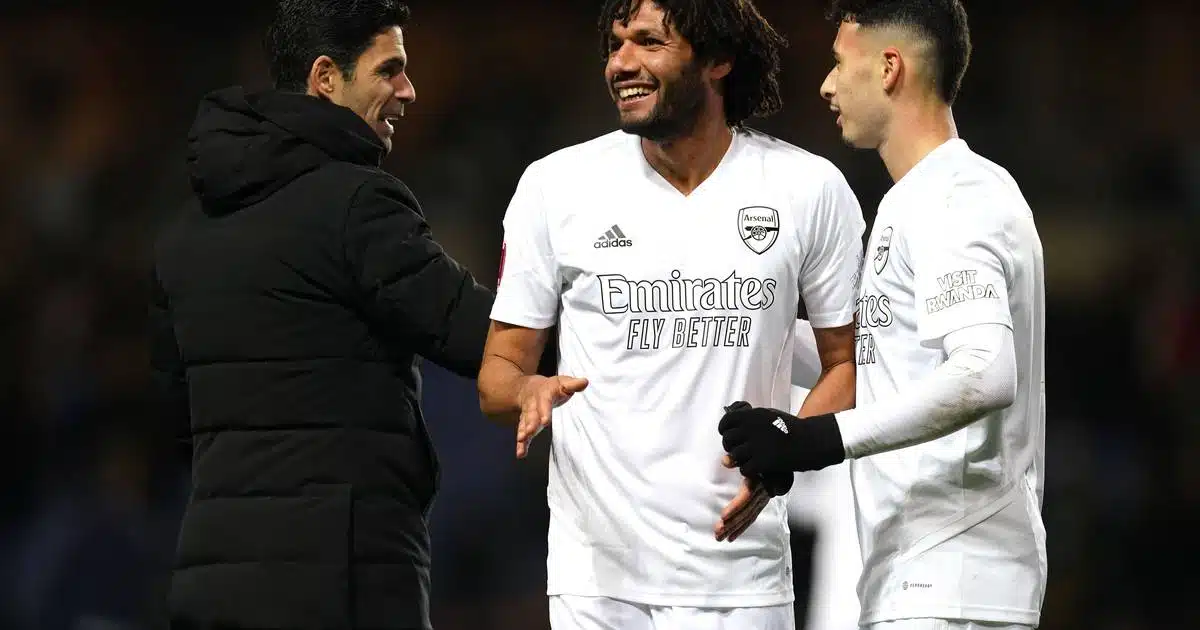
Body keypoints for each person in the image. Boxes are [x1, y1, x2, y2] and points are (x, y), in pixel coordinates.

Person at [476, 0, 865, 627]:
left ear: (718, 60)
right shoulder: (554, 188)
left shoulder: (808, 189)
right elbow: (497, 375)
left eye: (649, 43)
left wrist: (783, 452)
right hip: (595, 585)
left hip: (743, 578)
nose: (621, 63)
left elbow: (847, 365)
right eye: (615, 44)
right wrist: (527, 389)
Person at [149, 1, 495, 628]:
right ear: (326, 78)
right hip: (341, 582)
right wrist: (611, 321)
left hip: (211, 578)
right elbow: (479, 337)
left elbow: (173, 417)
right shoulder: (359, 203)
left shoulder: (183, 234)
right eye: (389, 69)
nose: (408, 91)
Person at [717, 1, 1048, 629]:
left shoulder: (957, 195)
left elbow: (985, 371)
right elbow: (877, 360)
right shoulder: (915, 199)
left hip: (953, 575)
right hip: (921, 576)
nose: (827, 85)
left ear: (890, 68)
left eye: (840, 64)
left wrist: (818, 439)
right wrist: (730, 321)